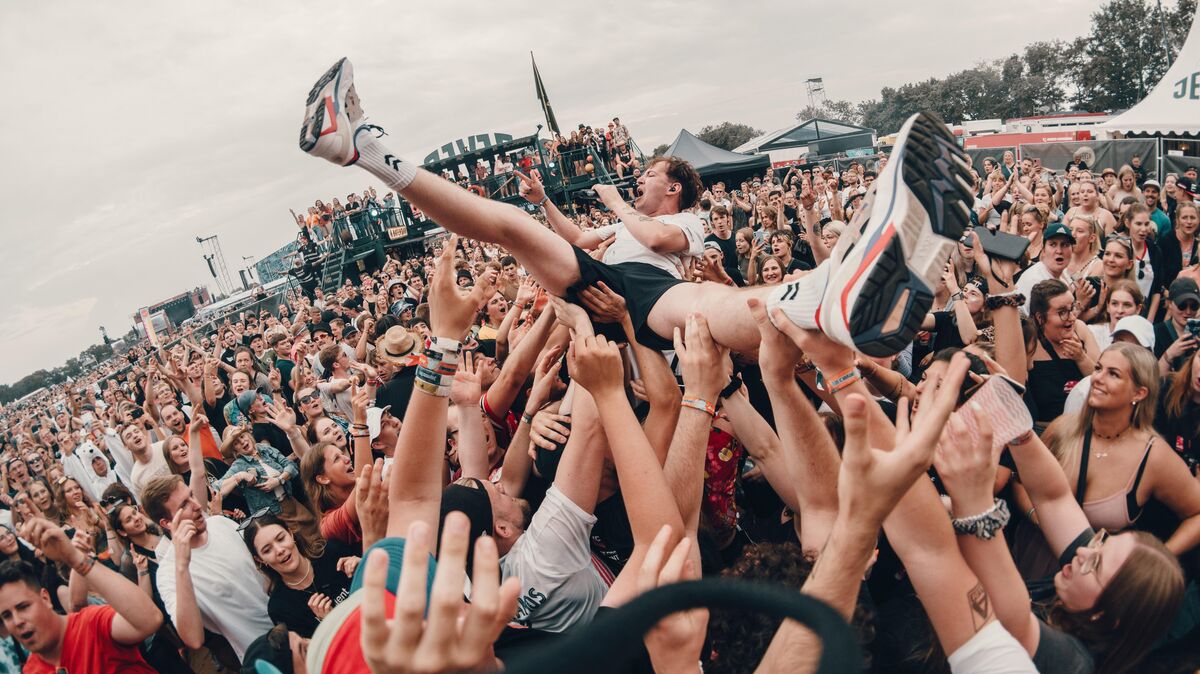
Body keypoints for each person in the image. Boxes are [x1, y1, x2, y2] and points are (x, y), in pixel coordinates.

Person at [300, 58, 973, 359]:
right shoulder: (634, 218)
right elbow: (576, 239)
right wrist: (543, 207)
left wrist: (622, 203)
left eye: (650, 176)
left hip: (651, 296)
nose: (640, 180)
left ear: (673, 189)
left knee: (705, 309)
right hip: (609, 285)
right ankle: (361, 147)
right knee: (513, 227)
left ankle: (825, 303)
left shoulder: (687, 221)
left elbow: (648, 235)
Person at [0, 518, 162, 673]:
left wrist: (75, 557)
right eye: (6, 615)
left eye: (23, 607)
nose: (17, 621)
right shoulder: (32, 670)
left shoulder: (90, 624)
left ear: (45, 598)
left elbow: (150, 619)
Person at [141, 474, 273, 661]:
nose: (196, 506)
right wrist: (182, 566)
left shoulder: (220, 523)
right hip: (264, 653)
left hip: (292, 622)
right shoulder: (169, 573)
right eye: (183, 505)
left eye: (191, 495)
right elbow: (193, 639)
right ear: (167, 523)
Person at [242, 514, 359, 638]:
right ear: (260, 559)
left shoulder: (332, 552)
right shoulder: (280, 608)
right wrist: (329, 624)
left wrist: (363, 565)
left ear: (290, 534)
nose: (279, 550)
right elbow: (313, 652)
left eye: (281, 539)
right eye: (267, 550)